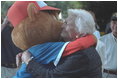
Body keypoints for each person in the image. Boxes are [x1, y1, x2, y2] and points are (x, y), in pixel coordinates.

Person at [20, 9, 102, 78]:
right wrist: (29, 53)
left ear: (80, 33)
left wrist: (29, 61)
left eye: (66, 23)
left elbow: (51, 76)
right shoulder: (73, 47)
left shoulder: (81, 55)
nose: (62, 26)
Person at [97, 12, 117, 78]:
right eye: (114, 23)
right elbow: (96, 61)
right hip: (107, 75)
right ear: (110, 24)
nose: (116, 26)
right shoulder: (102, 40)